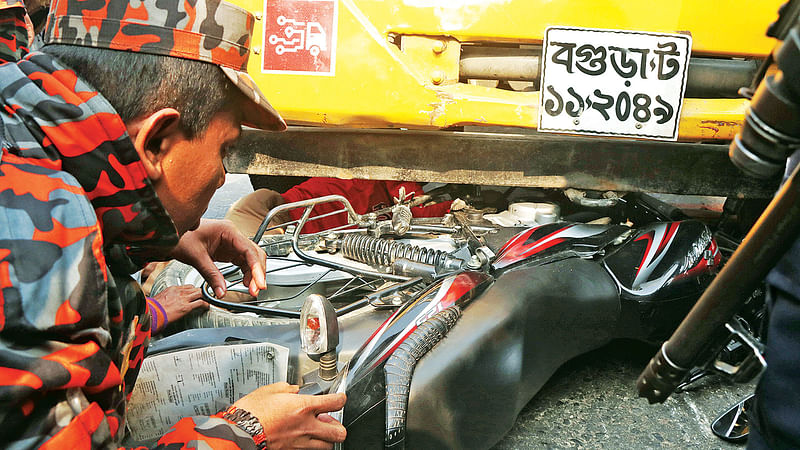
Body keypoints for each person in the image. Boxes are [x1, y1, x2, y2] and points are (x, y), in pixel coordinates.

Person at [0, 0, 346, 448]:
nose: (223, 177)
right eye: (225, 150)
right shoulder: (39, 229)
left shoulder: (26, 146)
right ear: (157, 142)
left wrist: (152, 236)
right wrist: (242, 433)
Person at [226, 178, 455, 237]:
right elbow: (415, 209)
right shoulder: (393, 178)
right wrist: (451, 209)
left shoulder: (380, 187)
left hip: (281, 217)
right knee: (241, 283)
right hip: (271, 214)